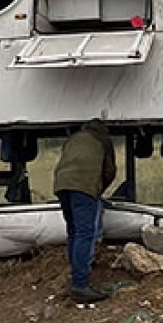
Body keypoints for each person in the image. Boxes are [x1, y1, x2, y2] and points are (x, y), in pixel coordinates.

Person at [53, 119, 117, 303]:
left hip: (61, 185)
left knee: (73, 231)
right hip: (84, 188)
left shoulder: (73, 139)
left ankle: (76, 275)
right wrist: (98, 190)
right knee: (85, 233)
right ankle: (80, 285)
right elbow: (109, 171)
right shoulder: (103, 140)